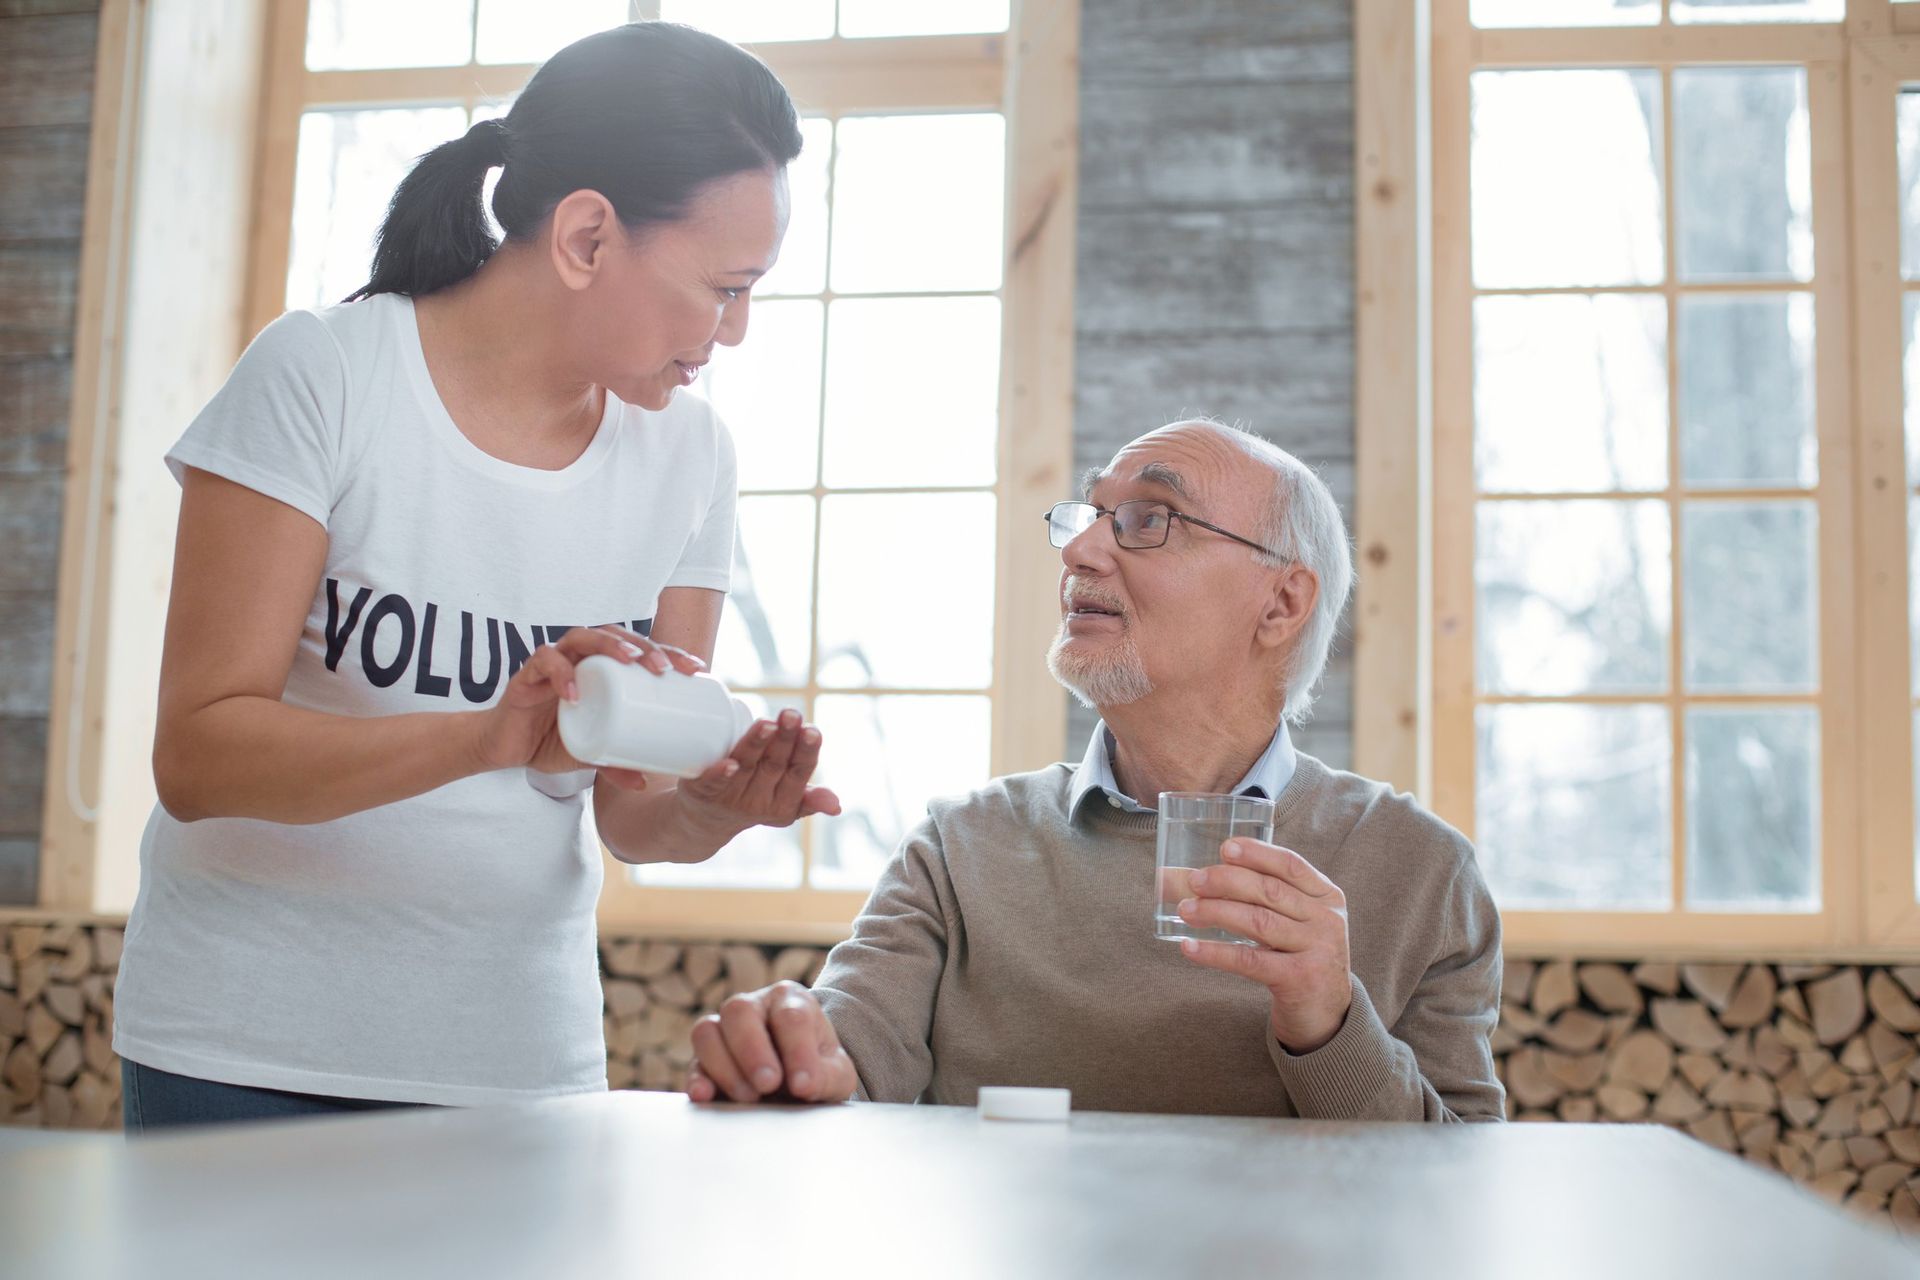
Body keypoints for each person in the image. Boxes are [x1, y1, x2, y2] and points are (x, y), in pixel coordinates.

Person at [114, 22, 840, 1131]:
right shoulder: (324, 374)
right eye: (723, 288)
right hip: (239, 1045)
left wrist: (715, 805)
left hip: (517, 1063)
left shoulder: (690, 453)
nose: (733, 333)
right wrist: (486, 734)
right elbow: (199, 755)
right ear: (589, 236)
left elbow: (626, 809)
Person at [686, 418, 1505, 1121]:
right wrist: (790, 1057)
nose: (1079, 550)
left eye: (1151, 519)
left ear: (1282, 604)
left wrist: (1330, 1025)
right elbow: (845, 1069)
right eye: (1090, 516)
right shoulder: (959, 849)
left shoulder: (1425, 872)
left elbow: (1466, 1187)